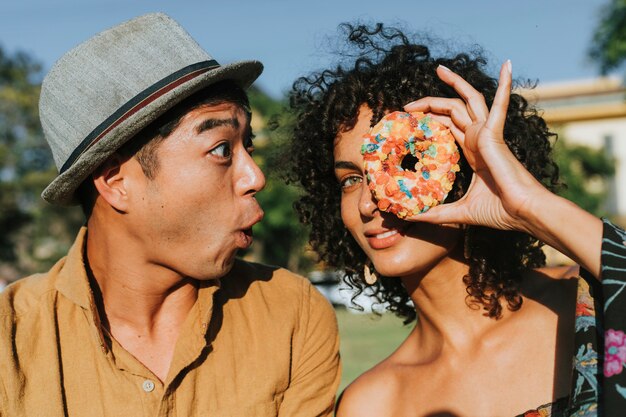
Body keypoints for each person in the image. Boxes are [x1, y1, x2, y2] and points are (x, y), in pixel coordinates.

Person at [0, 13, 340, 416]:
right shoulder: (11, 340)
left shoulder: (291, 314)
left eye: (247, 146)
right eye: (221, 150)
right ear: (115, 182)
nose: (256, 177)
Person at [286, 24, 626, 416]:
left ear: (461, 169)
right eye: (351, 179)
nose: (367, 203)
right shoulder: (373, 403)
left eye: (402, 164)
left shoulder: (588, 301)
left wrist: (529, 205)